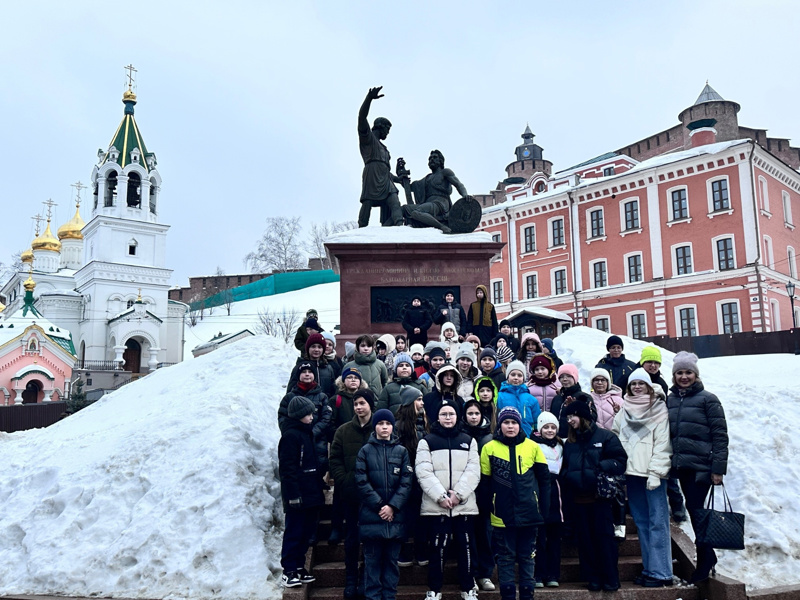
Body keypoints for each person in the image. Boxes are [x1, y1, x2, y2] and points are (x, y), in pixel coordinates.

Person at [667, 352, 728, 584]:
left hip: (701, 467)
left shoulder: (708, 399)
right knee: (695, 511)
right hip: (681, 466)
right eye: (680, 373)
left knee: (696, 510)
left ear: (696, 375)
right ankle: (707, 554)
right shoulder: (671, 400)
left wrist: (718, 468)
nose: (684, 377)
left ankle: (704, 559)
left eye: (688, 372)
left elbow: (720, 435)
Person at [480, 407, 550, 600]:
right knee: (505, 558)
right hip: (502, 513)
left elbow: (545, 480)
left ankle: (528, 595)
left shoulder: (533, 446)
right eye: (506, 422)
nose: (510, 426)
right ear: (500, 425)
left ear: (520, 425)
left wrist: (544, 508)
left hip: (530, 512)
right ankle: (508, 596)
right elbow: (485, 483)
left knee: (528, 556)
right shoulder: (489, 448)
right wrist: (487, 507)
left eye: (514, 423)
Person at [612, 368, 673, 588]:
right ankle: (650, 568)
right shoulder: (624, 409)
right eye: (633, 384)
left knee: (658, 523)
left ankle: (662, 572)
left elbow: (663, 444)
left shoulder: (658, 408)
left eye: (641, 384)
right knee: (642, 523)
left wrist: (657, 472)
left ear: (649, 386)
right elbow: (615, 437)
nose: (637, 387)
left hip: (651, 476)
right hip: (632, 475)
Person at [416, 399, 481, 600]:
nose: (447, 417)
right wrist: (440, 496)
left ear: (457, 416)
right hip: (437, 506)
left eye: (451, 414)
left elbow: (473, 471)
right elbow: (423, 471)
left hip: (464, 505)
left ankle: (468, 587)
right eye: (444, 414)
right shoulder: (427, 441)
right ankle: (434, 589)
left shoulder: (469, 440)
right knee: (437, 548)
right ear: (438, 416)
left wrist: (458, 494)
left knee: (466, 546)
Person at [560, 401, 628, 592]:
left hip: (601, 500)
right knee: (585, 541)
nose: (569, 420)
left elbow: (620, 461)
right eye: (567, 417)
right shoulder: (570, 443)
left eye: (572, 416)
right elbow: (565, 467)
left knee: (605, 540)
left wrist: (601, 468)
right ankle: (593, 579)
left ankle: (610, 578)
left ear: (583, 417)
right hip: (579, 500)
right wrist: (568, 477)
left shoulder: (606, 437)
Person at [356, 408, 413, 600]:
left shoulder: (402, 451)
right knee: (372, 564)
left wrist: (392, 507)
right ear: (375, 426)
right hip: (372, 518)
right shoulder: (365, 451)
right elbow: (361, 481)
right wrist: (381, 505)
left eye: (388, 424)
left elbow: (406, 482)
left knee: (391, 564)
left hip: (395, 519)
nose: (385, 427)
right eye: (380, 424)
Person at [330, 390, 376, 598]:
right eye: (356, 403)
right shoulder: (343, 430)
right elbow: (336, 459)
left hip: (374, 495)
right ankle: (350, 579)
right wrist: (345, 480)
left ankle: (366, 577)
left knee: (371, 538)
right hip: (350, 493)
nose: (358, 407)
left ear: (370, 405)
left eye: (363, 403)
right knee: (351, 538)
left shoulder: (380, 428)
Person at [279, 396, 324, 588]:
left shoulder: (307, 433)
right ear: (299, 416)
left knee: (306, 532)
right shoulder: (290, 436)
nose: (312, 417)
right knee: (294, 532)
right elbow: (288, 470)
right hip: (297, 495)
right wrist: (293, 496)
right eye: (308, 414)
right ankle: (288, 570)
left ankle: (299, 566)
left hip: (311, 492)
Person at [637, 345, 687, 522]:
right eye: (649, 362)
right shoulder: (633, 378)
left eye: (656, 362)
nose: (653, 366)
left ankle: (677, 504)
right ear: (642, 363)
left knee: (667, 468)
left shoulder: (662, 383)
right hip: (639, 431)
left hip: (659, 429)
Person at [461, 400, 496, 592]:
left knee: (485, 534)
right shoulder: (460, 436)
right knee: (469, 536)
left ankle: (485, 574)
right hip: (465, 493)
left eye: (476, 413)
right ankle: (471, 575)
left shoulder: (490, 438)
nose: (473, 417)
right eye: (470, 413)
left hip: (484, 492)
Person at [394, 387, 430, 568]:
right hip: (406, 479)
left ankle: (422, 551)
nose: (422, 403)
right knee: (406, 518)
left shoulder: (424, 424)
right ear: (410, 403)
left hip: (422, 479)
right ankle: (406, 552)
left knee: (422, 518)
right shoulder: (399, 427)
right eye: (418, 400)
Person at [357, 86, 403, 227]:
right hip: (372, 173)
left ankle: (400, 226)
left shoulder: (385, 150)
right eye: (387, 129)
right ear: (379, 126)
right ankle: (361, 228)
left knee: (394, 200)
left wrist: (398, 179)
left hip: (385, 178)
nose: (387, 133)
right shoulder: (368, 139)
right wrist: (369, 98)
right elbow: (362, 117)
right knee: (368, 202)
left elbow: (387, 172)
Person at [279, 361, 332, 479]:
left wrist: (313, 432)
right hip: (296, 441)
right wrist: (292, 434)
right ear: (298, 376)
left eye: (310, 372)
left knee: (318, 469)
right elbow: (283, 417)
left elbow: (326, 417)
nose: (307, 374)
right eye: (304, 372)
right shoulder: (289, 397)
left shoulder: (322, 396)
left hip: (317, 440)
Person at [532, 412, 564, 588]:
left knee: (554, 539)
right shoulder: (534, 445)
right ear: (540, 429)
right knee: (539, 538)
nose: (550, 430)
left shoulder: (561, 445)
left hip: (557, 497)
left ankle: (553, 574)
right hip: (542, 493)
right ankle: (538, 574)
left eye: (553, 427)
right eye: (546, 427)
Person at [402, 150, 469, 234]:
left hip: (440, 204)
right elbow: (410, 187)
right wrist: (402, 177)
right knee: (404, 209)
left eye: (435, 157)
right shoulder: (427, 178)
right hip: (429, 204)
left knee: (416, 212)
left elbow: (459, 184)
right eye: (430, 158)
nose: (432, 160)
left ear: (440, 161)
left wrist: (465, 195)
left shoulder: (445, 172)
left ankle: (441, 226)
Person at [550, 364, 597, 439]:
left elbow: (592, 419)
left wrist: (576, 409)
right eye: (561, 377)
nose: (564, 379)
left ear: (575, 378)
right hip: (557, 439)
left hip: (577, 439)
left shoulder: (584, 397)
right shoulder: (556, 398)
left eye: (568, 376)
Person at [496, 360, 541, 437]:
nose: (516, 378)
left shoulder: (531, 399)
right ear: (507, 377)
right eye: (513, 375)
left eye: (519, 375)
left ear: (523, 378)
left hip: (527, 438)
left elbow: (537, 421)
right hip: (505, 437)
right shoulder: (499, 397)